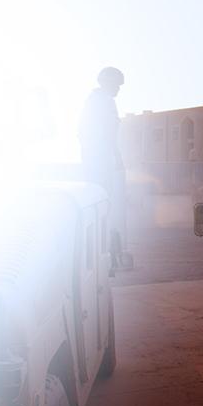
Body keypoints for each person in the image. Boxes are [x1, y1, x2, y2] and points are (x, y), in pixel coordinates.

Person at [80, 67, 129, 265]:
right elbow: (108, 133)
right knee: (102, 205)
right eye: (116, 84)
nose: (118, 89)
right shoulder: (103, 102)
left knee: (101, 207)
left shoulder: (95, 100)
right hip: (100, 161)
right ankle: (101, 253)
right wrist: (116, 156)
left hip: (96, 159)